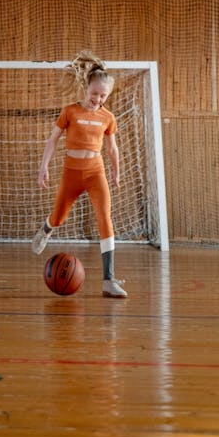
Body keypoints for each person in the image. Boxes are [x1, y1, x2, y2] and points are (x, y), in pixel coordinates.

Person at [32, 51, 127, 298]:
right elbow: (52, 141)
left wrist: (116, 171)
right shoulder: (70, 112)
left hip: (96, 173)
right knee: (60, 217)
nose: (98, 99)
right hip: (71, 173)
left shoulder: (108, 117)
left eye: (103, 95)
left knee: (105, 219)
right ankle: (46, 228)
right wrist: (43, 167)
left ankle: (108, 280)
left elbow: (112, 148)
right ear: (86, 89)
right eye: (95, 94)